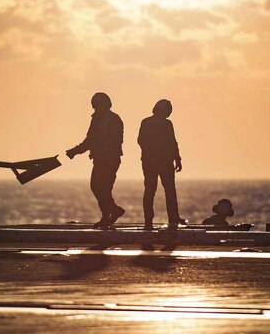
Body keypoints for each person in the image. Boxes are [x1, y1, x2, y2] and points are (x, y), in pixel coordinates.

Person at [66, 93, 125, 228]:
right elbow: (89, 140)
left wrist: (105, 153)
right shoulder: (96, 119)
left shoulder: (114, 119)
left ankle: (110, 213)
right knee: (98, 187)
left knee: (102, 187)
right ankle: (111, 212)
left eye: (98, 105)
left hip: (110, 160)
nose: (96, 108)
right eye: (95, 105)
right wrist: (75, 151)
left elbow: (117, 141)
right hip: (100, 160)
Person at [138, 99, 185, 231]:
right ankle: (168, 219)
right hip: (159, 162)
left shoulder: (152, 123)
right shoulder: (159, 124)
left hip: (154, 162)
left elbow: (172, 142)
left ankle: (155, 219)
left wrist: (177, 158)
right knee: (166, 190)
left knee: (152, 190)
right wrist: (176, 158)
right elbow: (142, 141)